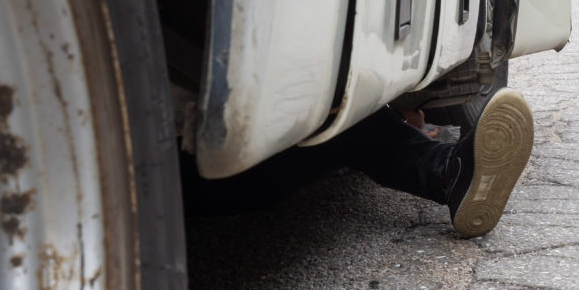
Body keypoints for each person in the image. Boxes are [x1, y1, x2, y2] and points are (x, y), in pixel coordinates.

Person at [181, 87, 534, 237]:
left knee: (353, 127)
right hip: (207, 178)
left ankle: (447, 171)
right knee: (348, 125)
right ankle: (446, 172)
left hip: (197, 173)